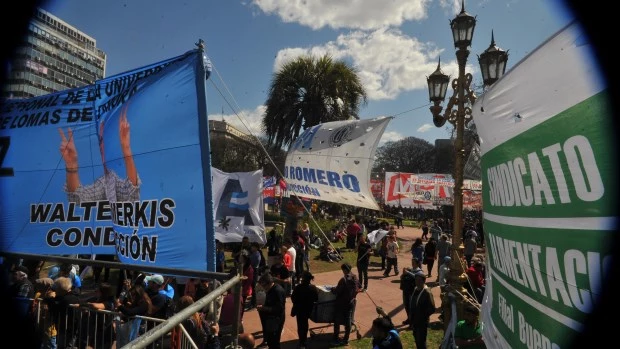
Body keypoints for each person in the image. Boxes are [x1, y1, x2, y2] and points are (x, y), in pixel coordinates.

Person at [59, 103, 140, 204]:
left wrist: (126, 148)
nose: (99, 147)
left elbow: (131, 195)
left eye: (100, 140)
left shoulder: (111, 179)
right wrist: (71, 166)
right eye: (96, 142)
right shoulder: (101, 182)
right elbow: (78, 199)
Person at [330, 263, 361, 347]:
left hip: (341, 303)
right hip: (351, 302)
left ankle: (335, 338)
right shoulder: (355, 277)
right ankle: (346, 339)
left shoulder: (343, 280)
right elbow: (358, 288)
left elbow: (337, 291)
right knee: (348, 320)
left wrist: (332, 289)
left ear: (344, 270)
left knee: (337, 320)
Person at [256, 273, 286, 349]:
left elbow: (279, 309)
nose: (263, 288)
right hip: (271, 319)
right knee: (270, 341)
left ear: (269, 283)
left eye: (263, 285)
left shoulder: (277, 291)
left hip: (276, 319)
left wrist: (264, 308)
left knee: (274, 342)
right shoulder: (271, 289)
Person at [290, 271, 319, 349]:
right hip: (308, 309)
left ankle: (302, 342)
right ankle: (304, 340)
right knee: (305, 324)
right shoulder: (313, 288)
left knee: (300, 326)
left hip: (300, 310)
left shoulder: (298, 287)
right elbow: (316, 298)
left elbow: (293, 298)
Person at [409, 271, 436, 349]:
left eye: (419, 280)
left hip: (421, 322)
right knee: (416, 340)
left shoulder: (427, 292)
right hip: (414, 320)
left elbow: (432, 309)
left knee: (421, 341)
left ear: (424, 281)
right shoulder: (415, 289)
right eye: (416, 280)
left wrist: (422, 315)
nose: (417, 282)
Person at [400, 258, 422, 327]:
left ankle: (412, 323)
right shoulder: (410, 269)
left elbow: (416, 277)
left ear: (417, 263)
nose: (412, 263)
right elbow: (401, 278)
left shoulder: (419, 271)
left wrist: (408, 273)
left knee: (411, 307)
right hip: (406, 290)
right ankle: (409, 319)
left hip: (412, 292)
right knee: (406, 305)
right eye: (412, 262)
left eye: (414, 262)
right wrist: (404, 273)